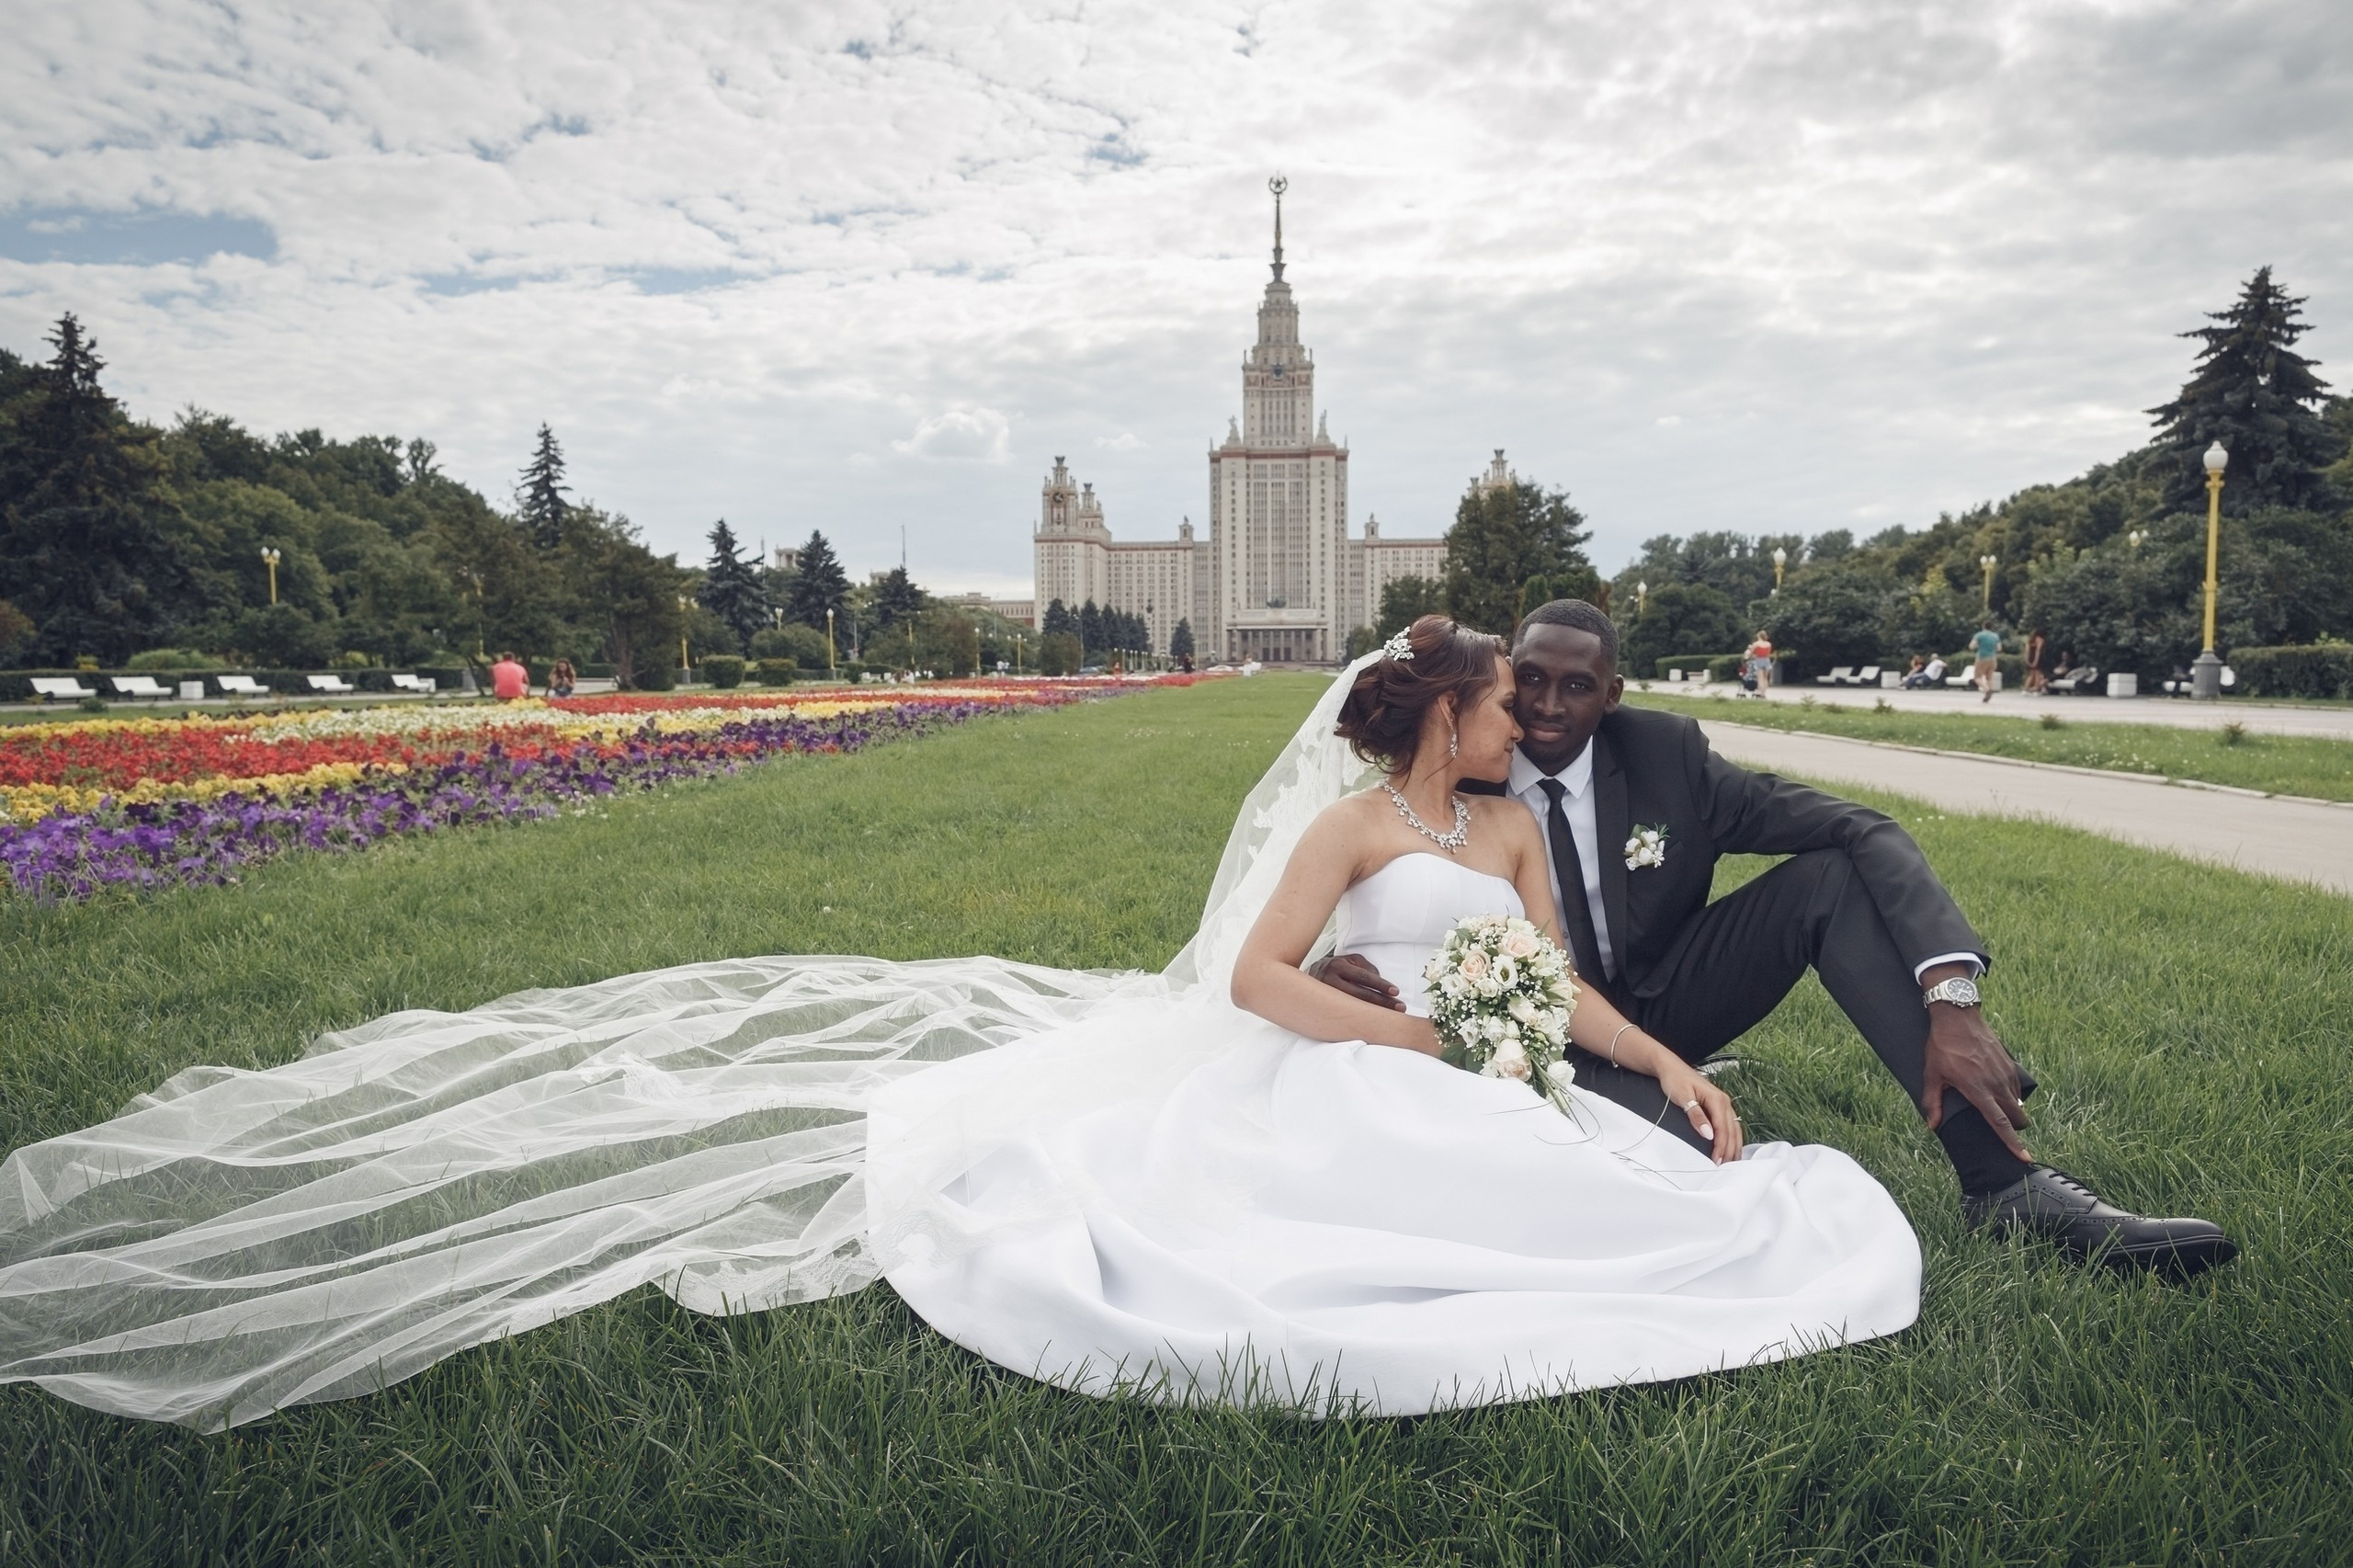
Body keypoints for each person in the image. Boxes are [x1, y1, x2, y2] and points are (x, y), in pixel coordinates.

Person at [0, 618, 1928, 1430]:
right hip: (1352, 1048)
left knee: (1617, 1192)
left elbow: (1555, 975)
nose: (1531, 727)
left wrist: (1654, 1058)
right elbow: (1255, 980)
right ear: (1440, 714)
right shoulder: (1350, 824)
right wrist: (1409, 1041)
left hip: (1486, 1049)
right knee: (1336, 1192)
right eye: (1510, 706)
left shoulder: (1509, 829)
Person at [1313, 601, 2234, 1282]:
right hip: (1541, 1030)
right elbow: (1381, 868)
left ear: (1613, 695)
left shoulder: (1667, 757)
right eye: (1531, 680)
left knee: (1828, 880)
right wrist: (1336, 960)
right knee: (1676, 1170)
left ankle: (2001, 1182)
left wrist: (1951, 994)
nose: (1544, 708)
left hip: (1666, 996)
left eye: (1576, 685)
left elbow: (1860, 826)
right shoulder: (1467, 752)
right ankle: (1642, 1106)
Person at [1971, 621, 2003, 704]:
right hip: (1992, 658)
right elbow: (1999, 648)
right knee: (1989, 677)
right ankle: (1989, 690)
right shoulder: (1995, 636)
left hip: (1982, 657)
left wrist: (1979, 646)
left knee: (1977, 677)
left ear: (1983, 626)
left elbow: (1972, 646)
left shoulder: (1979, 635)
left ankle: (1987, 690)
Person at [1744, 631, 1774, 698]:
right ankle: (1764, 693)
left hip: (1759, 660)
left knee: (1760, 678)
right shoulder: (1768, 644)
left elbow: (1751, 654)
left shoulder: (1756, 644)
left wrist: (1751, 656)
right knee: (1765, 678)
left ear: (1759, 636)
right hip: (1766, 660)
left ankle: (1761, 693)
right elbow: (1768, 654)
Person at [2023, 630, 2048, 696]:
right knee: (2037, 675)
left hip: (2030, 657)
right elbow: (2038, 651)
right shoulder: (2040, 640)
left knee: (2031, 675)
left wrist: (2027, 660)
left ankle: (2025, 690)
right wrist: (2036, 660)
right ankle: (2036, 690)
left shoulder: (2029, 641)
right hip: (2037, 658)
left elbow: (2027, 651)